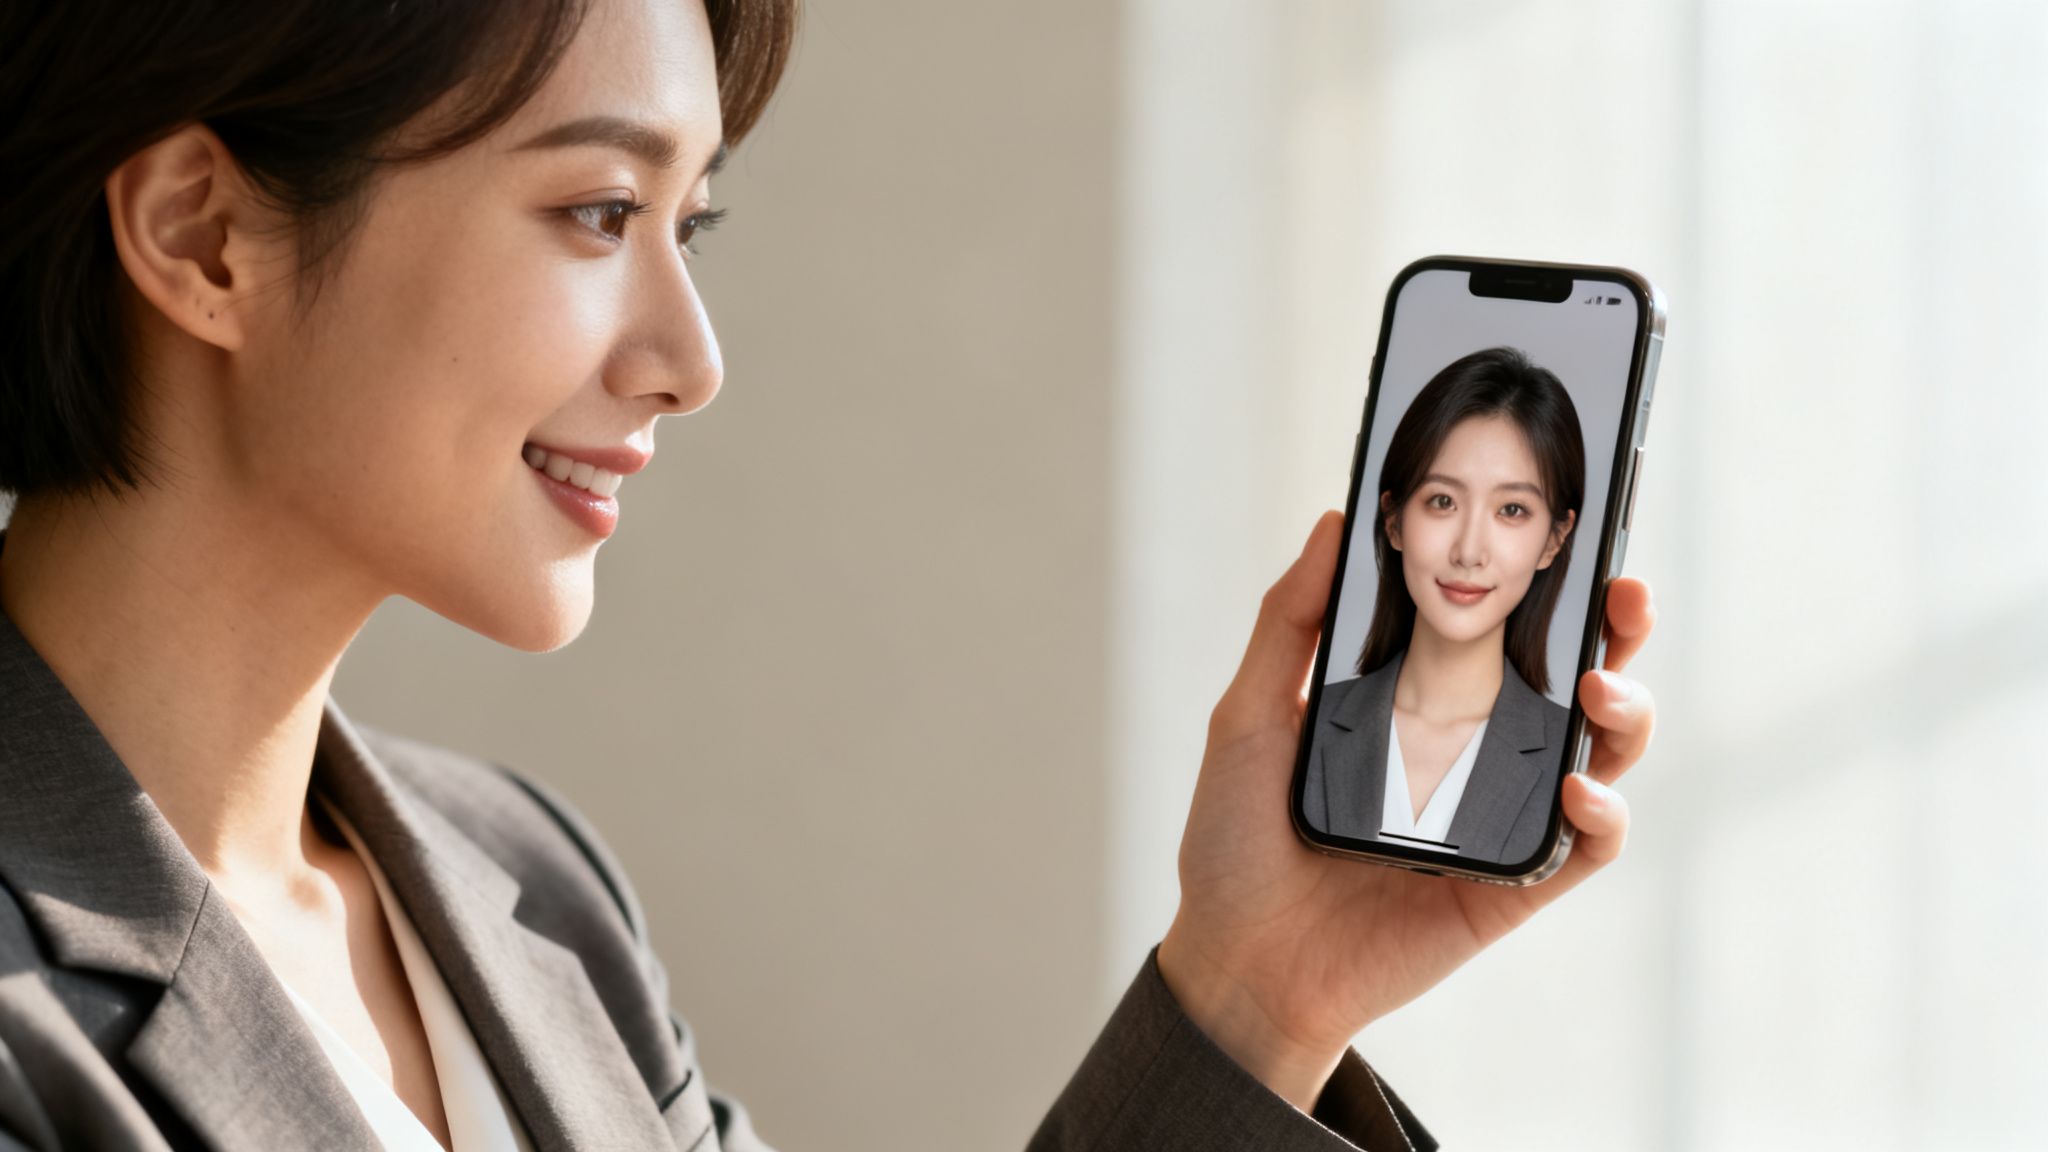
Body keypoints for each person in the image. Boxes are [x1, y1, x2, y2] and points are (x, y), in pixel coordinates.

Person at [0, 1, 1660, 1149]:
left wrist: (1253, 994)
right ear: (205, 234)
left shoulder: (532, 896)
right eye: (599, 212)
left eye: (691, 227)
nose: (690, 358)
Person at [1302, 347, 1588, 866]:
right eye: (1442, 501)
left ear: (1554, 539)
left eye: (1512, 509)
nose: (1469, 552)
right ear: (1394, 520)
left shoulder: (1574, 763)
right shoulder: (1302, 729)